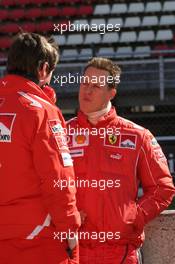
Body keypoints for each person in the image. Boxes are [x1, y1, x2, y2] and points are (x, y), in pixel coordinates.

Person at [67, 57, 175, 264]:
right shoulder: (60, 133)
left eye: (96, 86)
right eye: (84, 83)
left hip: (120, 252)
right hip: (73, 251)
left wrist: (134, 216)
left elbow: (163, 188)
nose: (87, 90)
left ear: (111, 93)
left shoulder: (137, 136)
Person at [0, 32, 80, 264]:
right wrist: (69, 229)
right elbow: (58, 177)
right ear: (43, 69)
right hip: (36, 237)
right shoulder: (42, 110)